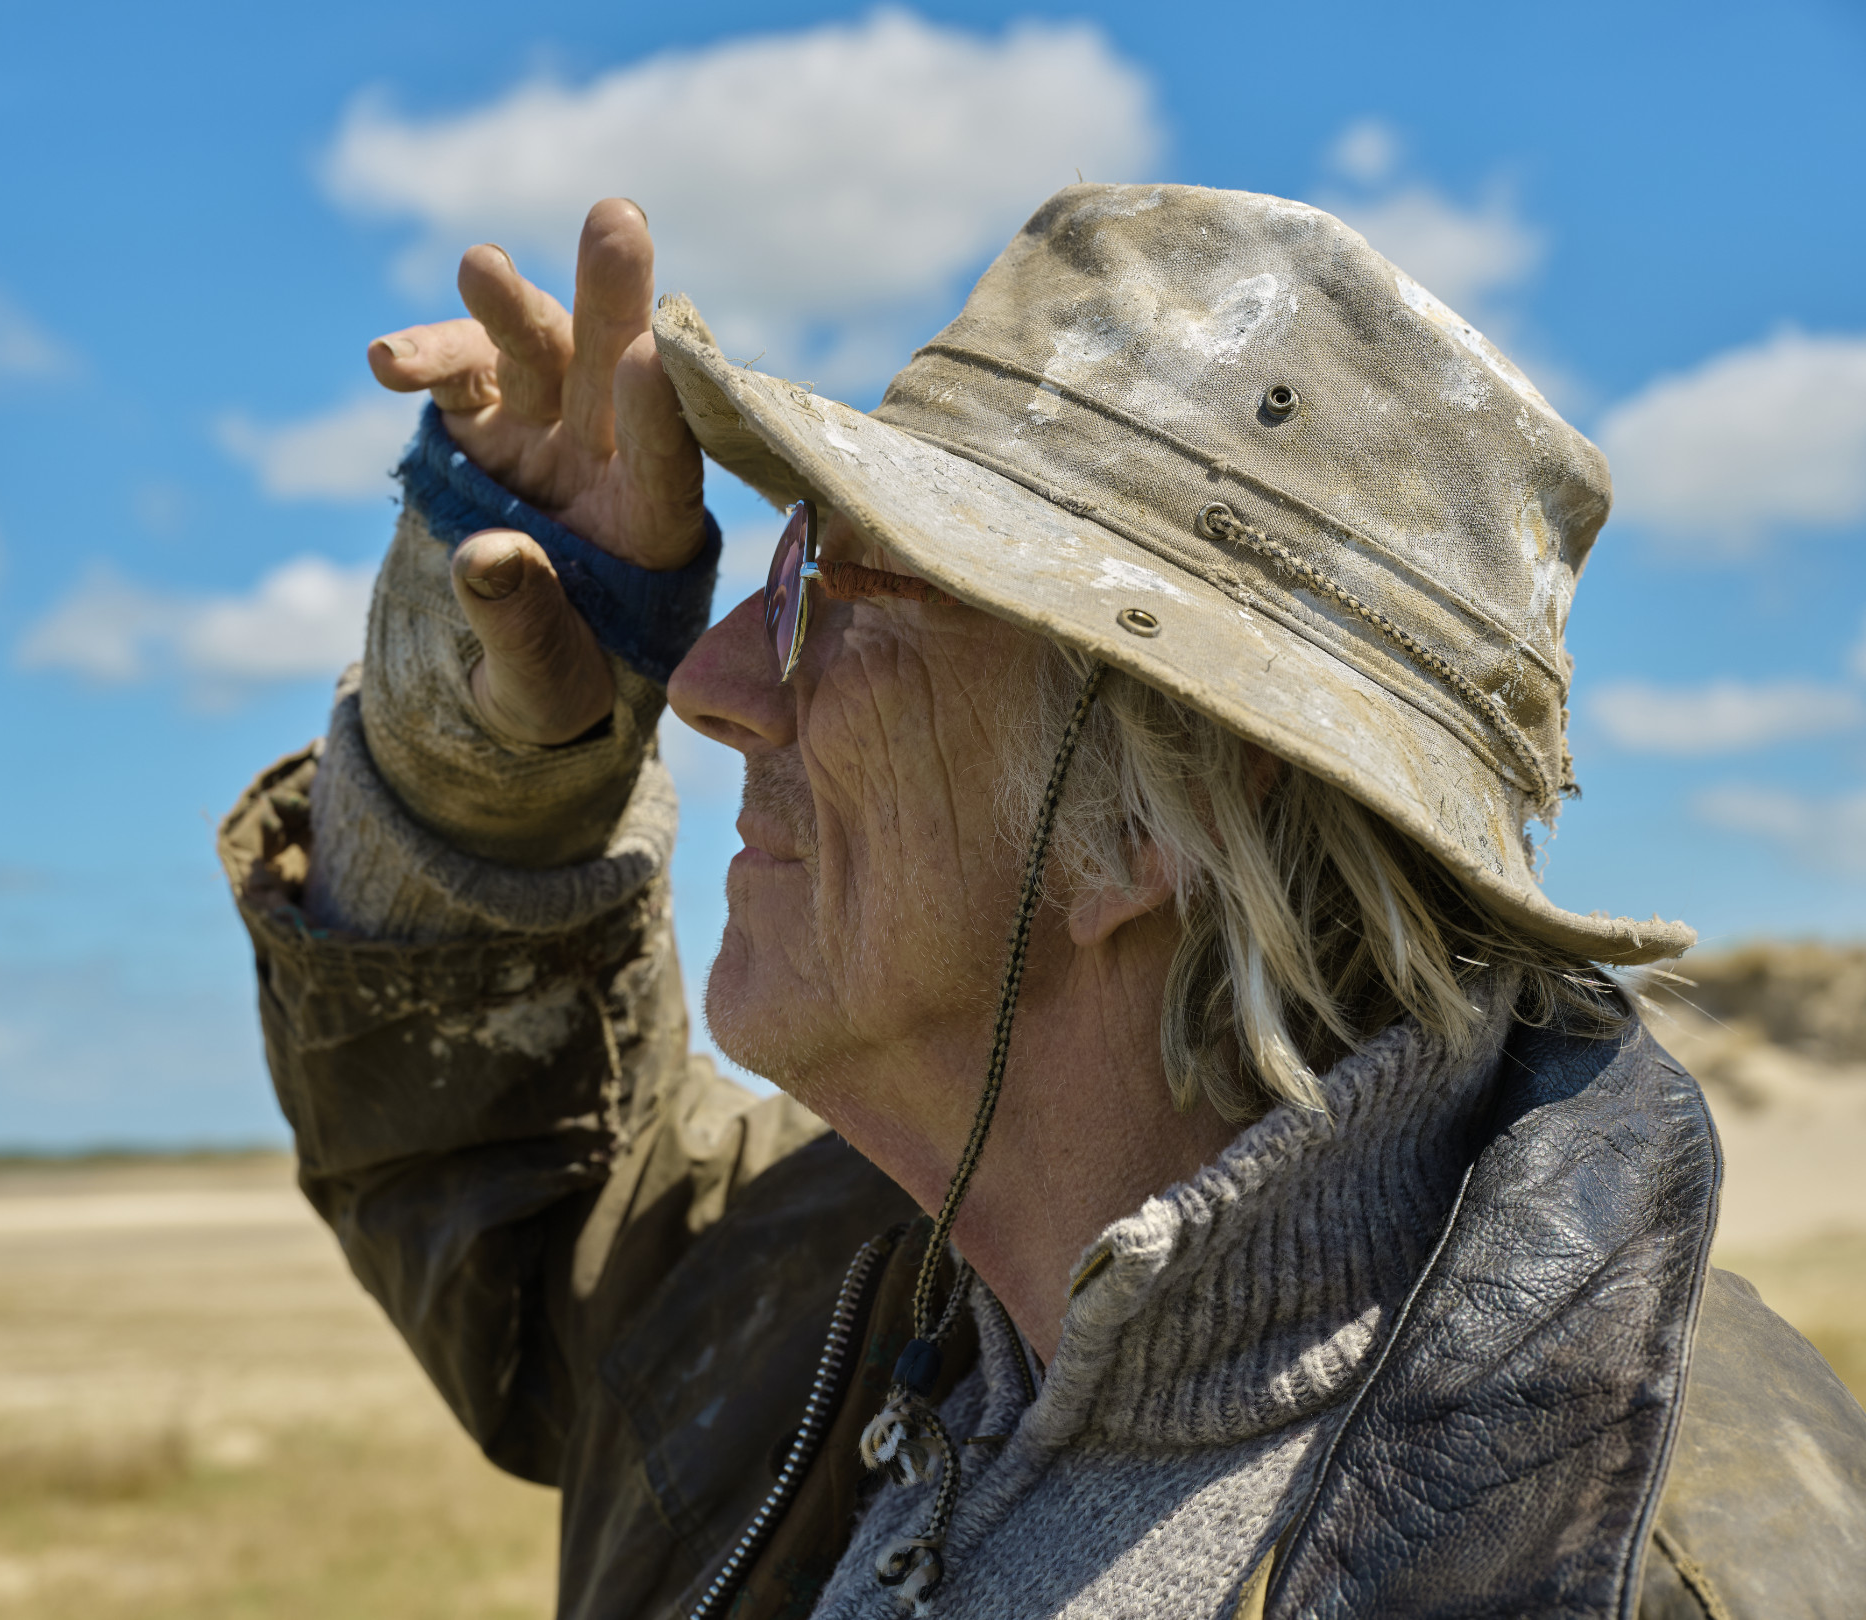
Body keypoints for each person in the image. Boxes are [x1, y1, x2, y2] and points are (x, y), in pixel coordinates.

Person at [220, 187, 1866, 1619]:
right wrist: (494, 752)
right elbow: (526, 1199)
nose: (711, 680)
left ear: (1154, 827)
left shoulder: (1643, 1564)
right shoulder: (878, 1287)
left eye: (832, 598)